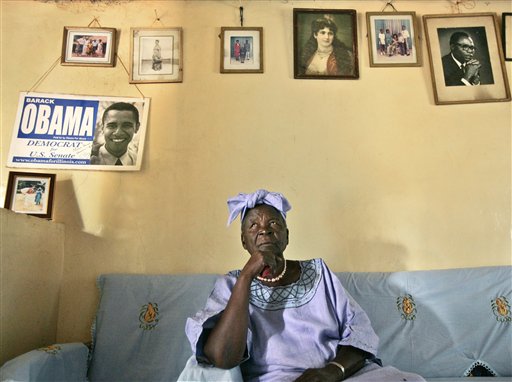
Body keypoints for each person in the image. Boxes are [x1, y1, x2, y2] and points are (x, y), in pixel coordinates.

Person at [180, 190, 427, 382]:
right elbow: (222, 357)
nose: (264, 230)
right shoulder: (231, 284)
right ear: (244, 241)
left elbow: (359, 334)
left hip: (339, 376)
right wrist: (246, 277)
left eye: (274, 224)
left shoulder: (319, 273)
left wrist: (331, 372)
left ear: (287, 235)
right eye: (253, 226)